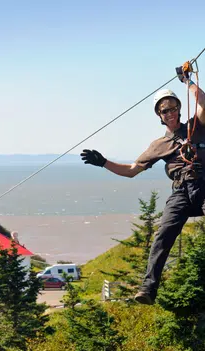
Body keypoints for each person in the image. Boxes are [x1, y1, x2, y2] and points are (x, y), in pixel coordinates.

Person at [81, 63, 205, 305]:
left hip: (204, 183)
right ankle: (148, 288)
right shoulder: (158, 145)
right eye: (164, 110)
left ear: (179, 109)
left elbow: (203, 103)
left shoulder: (196, 127)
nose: (169, 113)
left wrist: (186, 81)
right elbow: (131, 171)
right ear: (159, 116)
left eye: (172, 107)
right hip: (181, 191)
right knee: (163, 235)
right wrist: (104, 162)